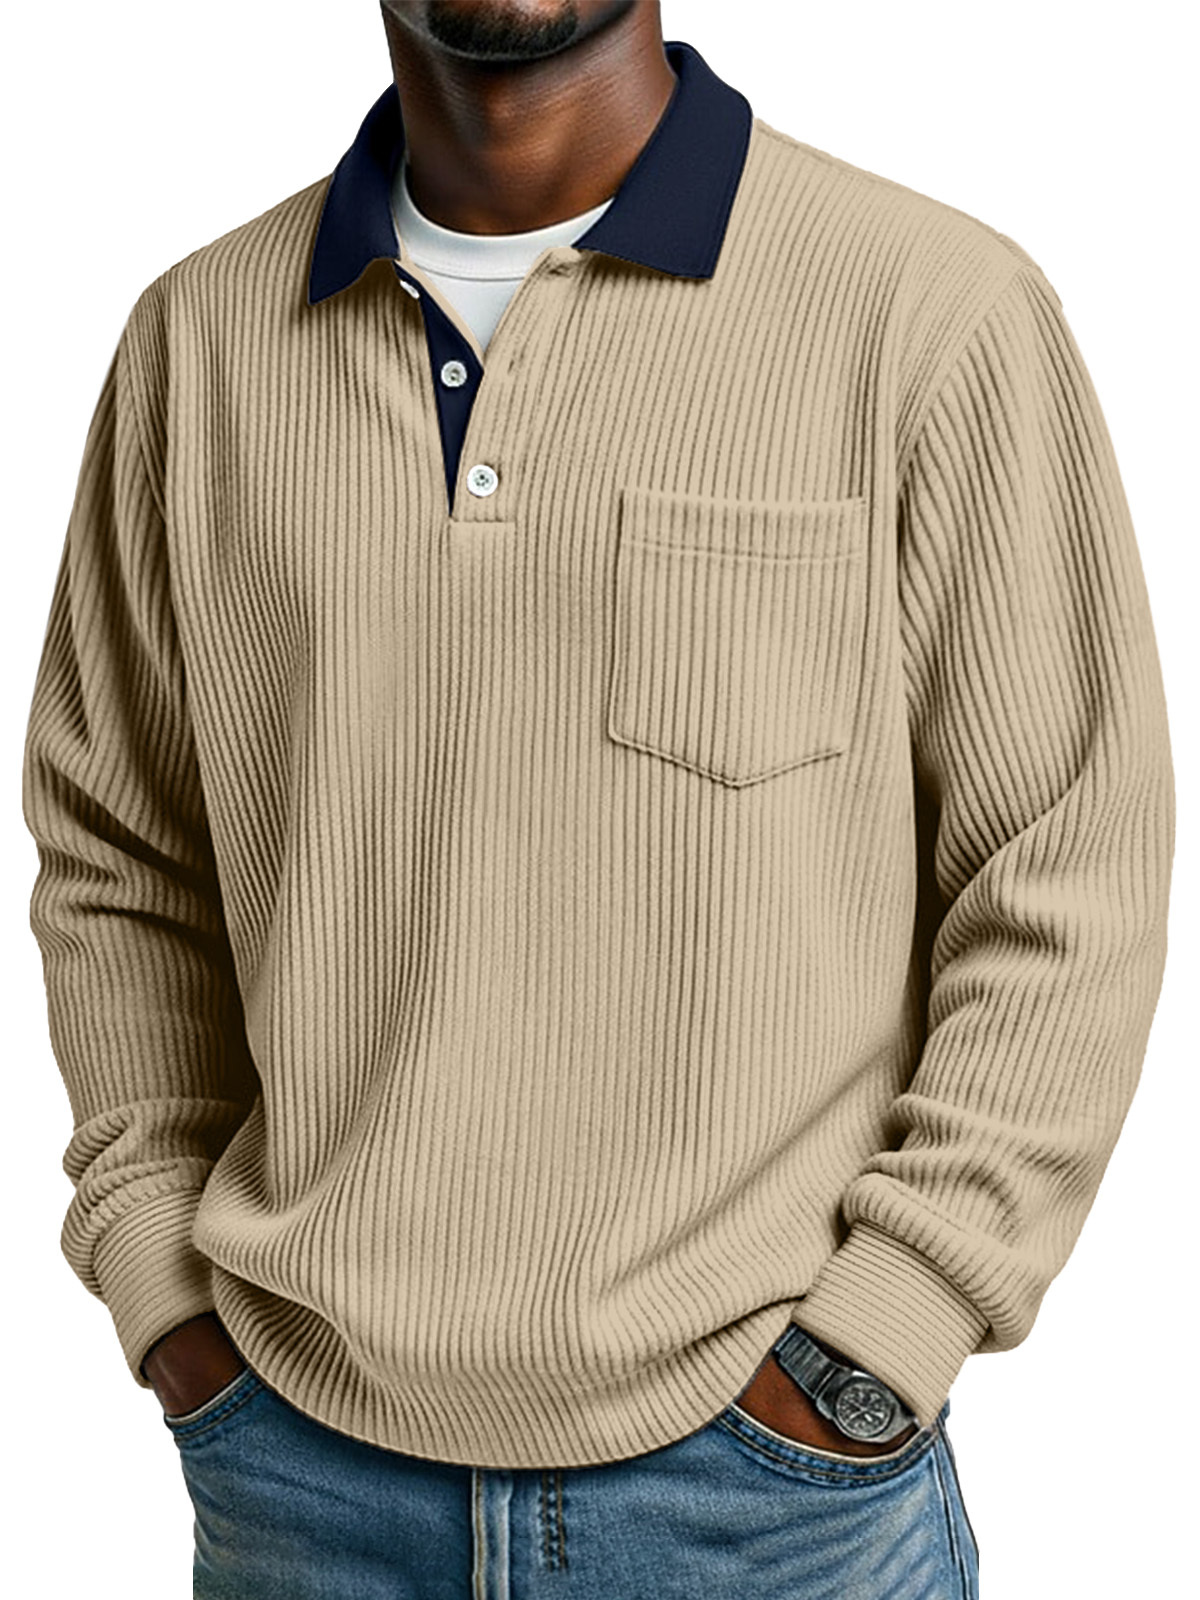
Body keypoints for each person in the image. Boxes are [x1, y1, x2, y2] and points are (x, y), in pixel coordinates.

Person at [21, 2, 1174, 1596]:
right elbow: (121, 854)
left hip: (768, 1505)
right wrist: (162, 1281)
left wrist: (880, 1340)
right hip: (300, 1484)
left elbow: (1067, 860)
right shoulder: (198, 344)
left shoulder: (929, 312)